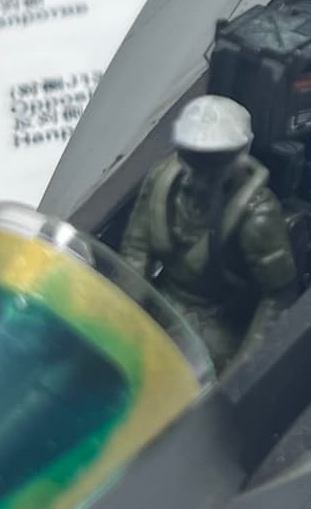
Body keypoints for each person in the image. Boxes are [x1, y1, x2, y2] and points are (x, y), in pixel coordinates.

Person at [118, 95, 299, 378]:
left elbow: (278, 296)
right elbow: (136, 251)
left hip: (217, 323)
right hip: (162, 298)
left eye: (212, 162)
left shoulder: (256, 218)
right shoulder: (162, 183)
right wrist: (124, 313)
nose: (196, 176)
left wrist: (244, 368)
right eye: (191, 157)